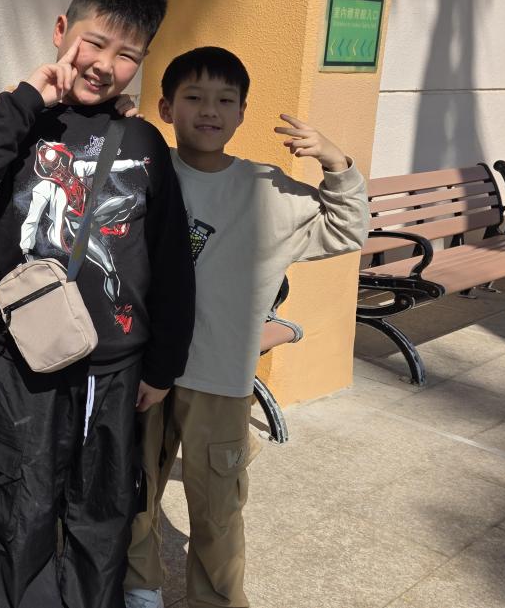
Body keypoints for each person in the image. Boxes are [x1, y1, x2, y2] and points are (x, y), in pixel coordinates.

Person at [0, 0, 196, 608]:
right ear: (60, 30)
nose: (104, 64)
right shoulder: (17, 123)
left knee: (102, 512)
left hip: (116, 367)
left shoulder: (144, 141)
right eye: (93, 42)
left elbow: (171, 261)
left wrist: (162, 365)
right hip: (28, 360)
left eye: (127, 54)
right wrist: (27, 98)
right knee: (18, 505)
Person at [124, 46, 369, 608]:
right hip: (144, 370)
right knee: (134, 492)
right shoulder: (143, 173)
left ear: (241, 113)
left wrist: (337, 162)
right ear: (166, 108)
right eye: (193, 97)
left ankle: (217, 599)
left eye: (224, 100)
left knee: (218, 509)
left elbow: (346, 229)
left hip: (220, 378)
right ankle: (139, 588)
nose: (209, 110)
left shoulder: (268, 189)